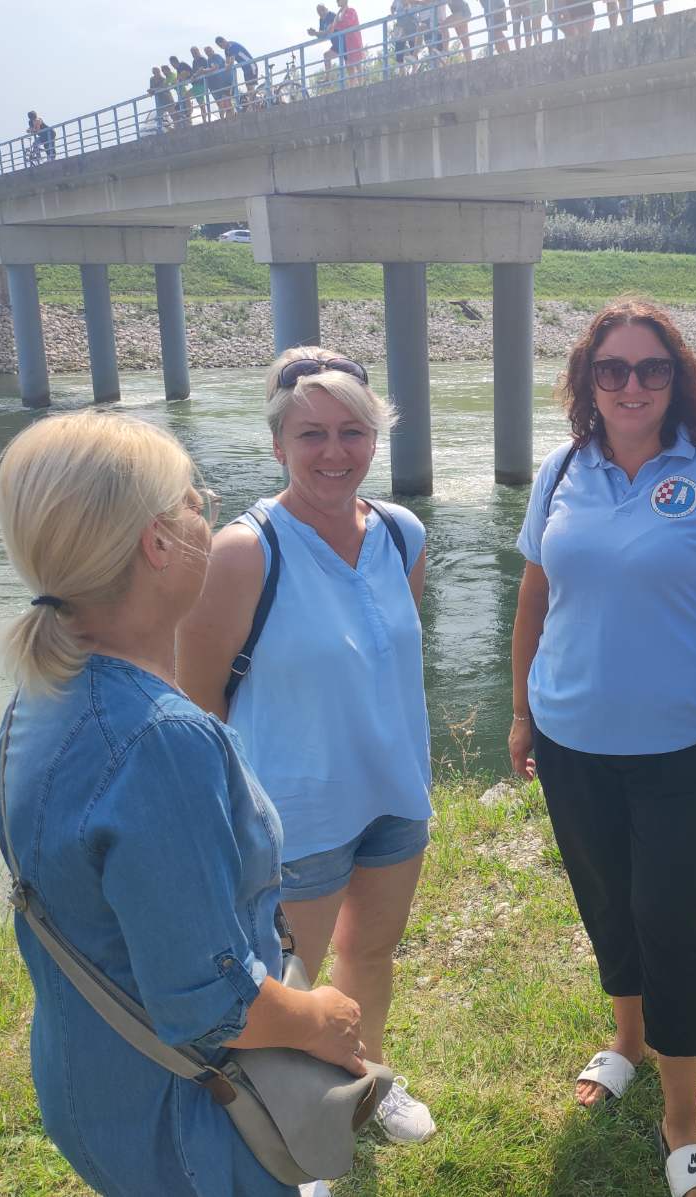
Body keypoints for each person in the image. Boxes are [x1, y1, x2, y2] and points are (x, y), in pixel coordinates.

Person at [0, 410, 369, 1197]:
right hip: (189, 1115)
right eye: (194, 499)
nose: (209, 508)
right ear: (157, 544)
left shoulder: (42, 691)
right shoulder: (163, 741)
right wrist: (322, 1015)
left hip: (91, 1073)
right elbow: (209, 1005)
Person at [508, 299, 696, 1197]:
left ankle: (684, 1117)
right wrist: (520, 713)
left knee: (669, 922)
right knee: (606, 905)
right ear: (588, 381)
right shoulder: (560, 471)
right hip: (570, 740)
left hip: (680, 749)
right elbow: (531, 601)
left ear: (680, 380)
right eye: (612, 369)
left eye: (651, 368)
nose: (631, 385)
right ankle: (625, 1039)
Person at [178, 348, 438, 1146]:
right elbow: (200, 700)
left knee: (372, 953)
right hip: (294, 813)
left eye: (353, 431)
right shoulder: (243, 551)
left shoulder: (402, 533)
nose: (335, 452)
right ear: (278, 443)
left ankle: (366, 1083)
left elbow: (387, 657)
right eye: (312, 433)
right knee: (287, 990)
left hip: (395, 793)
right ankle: (295, 1129)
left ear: (377, 435)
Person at [215, 36, 258, 106]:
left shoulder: (232, 46)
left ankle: (254, 104)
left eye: (221, 45)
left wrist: (227, 66)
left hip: (251, 65)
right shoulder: (226, 50)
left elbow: (231, 62)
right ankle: (253, 104)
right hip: (245, 68)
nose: (221, 47)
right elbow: (227, 61)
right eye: (219, 46)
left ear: (224, 41)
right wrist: (226, 66)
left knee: (250, 88)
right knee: (249, 88)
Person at [188, 46, 213, 122]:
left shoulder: (202, 59)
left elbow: (201, 69)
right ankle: (190, 114)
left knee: (201, 104)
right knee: (187, 97)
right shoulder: (194, 61)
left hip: (201, 84)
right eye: (192, 53)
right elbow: (194, 71)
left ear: (198, 51)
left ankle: (205, 120)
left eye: (195, 52)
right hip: (196, 85)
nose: (194, 54)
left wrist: (195, 75)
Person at [148, 66, 173, 131]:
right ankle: (163, 128)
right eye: (155, 72)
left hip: (167, 98)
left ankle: (176, 125)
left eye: (158, 72)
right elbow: (151, 88)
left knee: (172, 113)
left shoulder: (163, 79)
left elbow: (163, 87)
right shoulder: (152, 79)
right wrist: (151, 91)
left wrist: (153, 90)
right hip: (159, 100)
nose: (158, 73)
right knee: (159, 116)